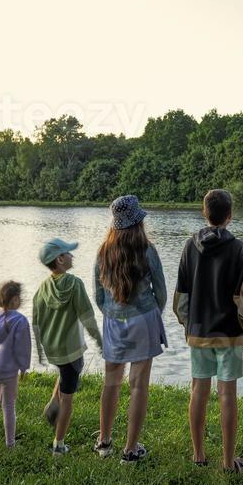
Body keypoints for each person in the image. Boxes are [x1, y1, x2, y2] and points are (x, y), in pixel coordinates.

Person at [173, 188, 243, 473]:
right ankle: (228, 461)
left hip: (199, 330)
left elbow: (181, 296)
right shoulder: (238, 248)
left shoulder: (189, 246)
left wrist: (188, 325)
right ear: (229, 216)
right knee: (227, 393)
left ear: (203, 213)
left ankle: (198, 455)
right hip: (229, 332)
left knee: (198, 389)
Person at [92, 195, 168, 463]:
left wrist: (113, 313)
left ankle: (103, 441)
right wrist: (151, 313)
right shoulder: (148, 250)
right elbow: (161, 292)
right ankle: (131, 449)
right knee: (138, 386)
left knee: (111, 383)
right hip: (143, 320)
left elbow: (98, 295)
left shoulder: (103, 251)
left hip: (114, 322)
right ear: (138, 221)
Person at [31, 238, 102, 456]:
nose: (73, 256)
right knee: (69, 397)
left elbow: (35, 321)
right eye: (69, 253)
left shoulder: (43, 287)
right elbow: (88, 317)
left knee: (65, 375)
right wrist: (99, 340)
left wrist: (40, 350)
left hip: (54, 349)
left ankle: (54, 400)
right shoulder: (74, 284)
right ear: (60, 259)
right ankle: (59, 444)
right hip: (72, 351)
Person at [0, 280, 31, 448]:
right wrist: (24, 366)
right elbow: (22, 347)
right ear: (15, 299)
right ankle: (10, 444)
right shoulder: (20, 320)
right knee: (8, 406)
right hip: (9, 371)